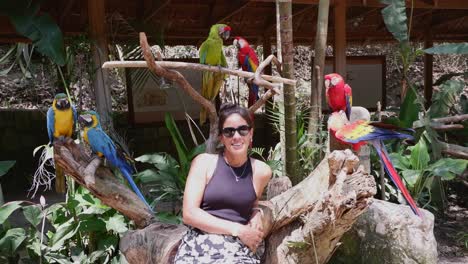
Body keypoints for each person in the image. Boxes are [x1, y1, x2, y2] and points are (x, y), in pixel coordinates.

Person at [174, 103, 272, 264]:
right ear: (221, 137)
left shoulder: (261, 171)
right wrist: (238, 229)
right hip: (200, 243)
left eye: (242, 129)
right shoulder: (204, 163)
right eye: (229, 131)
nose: (236, 136)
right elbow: (189, 213)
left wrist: (256, 212)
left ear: (251, 134)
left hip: (238, 248)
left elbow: (251, 201)